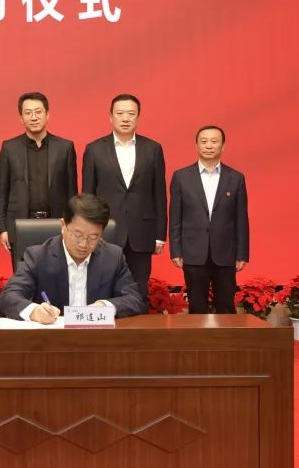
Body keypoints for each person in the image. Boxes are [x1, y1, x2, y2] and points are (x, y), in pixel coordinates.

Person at [0, 194, 146, 322]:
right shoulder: (38, 256)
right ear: (63, 225)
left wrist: (104, 306)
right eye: (77, 235)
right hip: (52, 340)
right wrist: (34, 311)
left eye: (93, 237)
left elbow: (134, 299)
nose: (83, 244)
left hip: (98, 339)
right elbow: (8, 297)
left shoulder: (113, 257)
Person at [81, 93, 166, 304]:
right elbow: (88, 196)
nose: (125, 118)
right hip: (105, 231)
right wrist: (87, 231)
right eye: (120, 113)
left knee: (139, 290)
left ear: (138, 117)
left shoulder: (153, 149)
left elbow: (159, 194)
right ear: (111, 117)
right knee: (103, 289)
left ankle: (139, 326)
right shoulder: (94, 149)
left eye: (131, 114)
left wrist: (160, 235)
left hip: (142, 232)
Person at [169, 125, 250, 314]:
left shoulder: (236, 178)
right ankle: (198, 335)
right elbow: (175, 217)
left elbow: (241, 219)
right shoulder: (181, 177)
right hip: (193, 251)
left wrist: (242, 253)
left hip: (226, 252)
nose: (209, 146)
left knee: (226, 306)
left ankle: (226, 335)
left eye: (214, 141)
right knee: (197, 305)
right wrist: (176, 250)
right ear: (196, 146)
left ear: (223, 146)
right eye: (204, 141)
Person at [0, 92, 78, 268]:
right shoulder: (9, 148)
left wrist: (72, 225)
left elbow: (72, 192)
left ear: (47, 114)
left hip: (57, 225)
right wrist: (3, 228)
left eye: (38, 112)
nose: (33, 117)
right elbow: (3, 191)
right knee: (23, 276)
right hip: (21, 225)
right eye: (28, 113)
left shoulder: (65, 147)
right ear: (21, 118)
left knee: (56, 276)